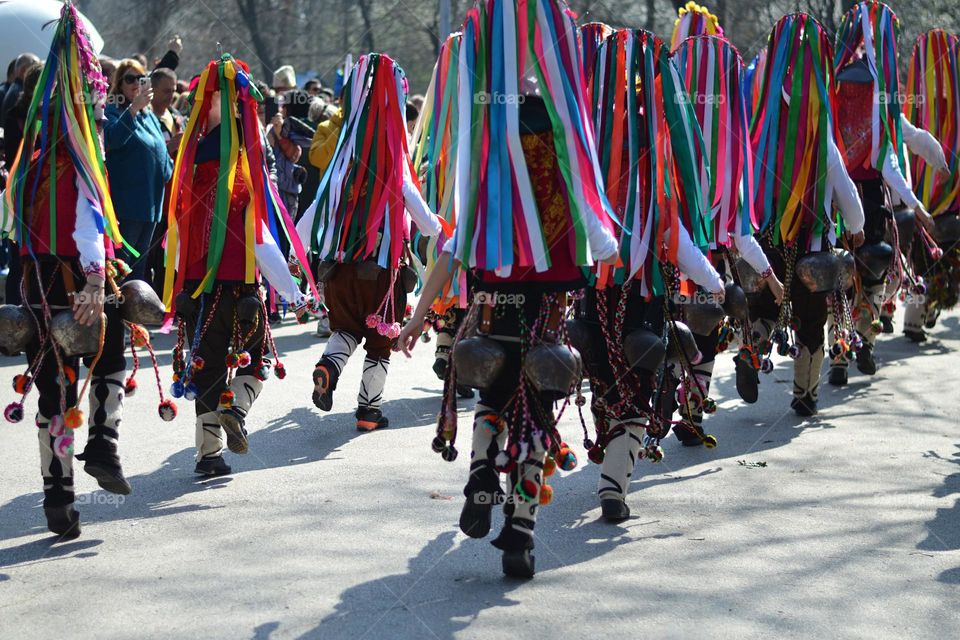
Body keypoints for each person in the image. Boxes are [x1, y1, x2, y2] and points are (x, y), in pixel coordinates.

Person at [398, 0, 618, 579]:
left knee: (493, 393)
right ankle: (520, 531)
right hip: (547, 309)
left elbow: (452, 247)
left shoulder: (487, 152)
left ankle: (479, 473)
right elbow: (603, 243)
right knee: (538, 408)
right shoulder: (568, 150)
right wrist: (607, 251)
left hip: (496, 302)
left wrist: (418, 318)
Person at [578, 27, 725, 521]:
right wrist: (715, 284)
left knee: (604, 383)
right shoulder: (656, 196)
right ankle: (613, 488)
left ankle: (609, 463)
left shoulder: (593, 185)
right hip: (640, 309)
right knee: (637, 392)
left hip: (593, 304)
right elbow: (679, 244)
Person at [2, 3, 133, 538]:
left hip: (34, 282)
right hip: (75, 277)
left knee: (52, 388)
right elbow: (86, 223)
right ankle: (102, 441)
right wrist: (97, 281)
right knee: (113, 344)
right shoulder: (75, 162)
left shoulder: (26, 164)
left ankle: (57, 496)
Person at [163, 54, 315, 476]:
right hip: (240, 293)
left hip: (197, 293)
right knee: (259, 359)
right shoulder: (243, 180)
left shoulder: (188, 176)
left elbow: (173, 240)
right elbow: (261, 243)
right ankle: (237, 407)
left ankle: (208, 456)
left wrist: (177, 287)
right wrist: (293, 294)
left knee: (207, 369)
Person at [297, 53, 442, 433]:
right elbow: (425, 222)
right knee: (379, 345)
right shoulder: (394, 164)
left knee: (344, 330)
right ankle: (368, 411)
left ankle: (328, 367)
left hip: (339, 270)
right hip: (381, 275)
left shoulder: (341, 165)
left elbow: (310, 216)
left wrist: (297, 252)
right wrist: (437, 228)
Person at [746, 13, 865, 417]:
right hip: (814, 248)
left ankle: (752, 348)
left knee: (764, 304)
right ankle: (804, 394)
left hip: (769, 241)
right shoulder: (822, 138)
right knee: (811, 320)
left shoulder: (764, 132)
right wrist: (857, 226)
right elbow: (846, 191)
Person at [670, 29, 784, 443]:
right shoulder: (731, 160)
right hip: (711, 271)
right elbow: (739, 234)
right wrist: (770, 277)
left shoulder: (667, 146)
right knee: (703, 336)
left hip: (666, 270)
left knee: (672, 338)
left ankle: (670, 401)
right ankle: (690, 413)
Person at [830, 1, 948, 380]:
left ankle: (838, 355)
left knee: (836, 275)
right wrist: (927, 187)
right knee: (875, 268)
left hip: (833, 202)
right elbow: (901, 153)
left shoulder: (831, 109)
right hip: (871, 201)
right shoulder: (882, 114)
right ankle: (865, 340)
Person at [902, 29, 960, 341]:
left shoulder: (914, 109)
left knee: (921, 261)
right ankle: (922, 313)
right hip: (945, 203)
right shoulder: (951, 115)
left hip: (923, 202)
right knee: (931, 261)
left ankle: (918, 316)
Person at [103, 59, 173, 282]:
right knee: (122, 268)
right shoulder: (112, 110)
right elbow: (112, 140)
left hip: (151, 208)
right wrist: (132, 109)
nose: (135, 83)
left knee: (140, 269)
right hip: (127, 207)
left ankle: (133, 307)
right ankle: (115, 306)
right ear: (119, 84)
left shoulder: (149, 115)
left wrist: (169, 168)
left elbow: (161, 153)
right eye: (129, 79)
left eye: (140, 78)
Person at [0, 53, 40, 127]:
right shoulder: (19, 93)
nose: (40, 73)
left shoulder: (15, 89)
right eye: (35, 68)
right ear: (24, 70)